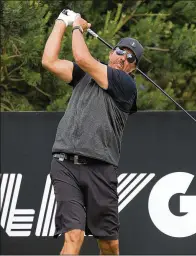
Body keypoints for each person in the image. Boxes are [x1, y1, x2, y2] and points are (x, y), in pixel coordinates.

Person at [42, 9, 144, 255]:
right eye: (120, 51)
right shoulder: (83, 76)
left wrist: (77, 26)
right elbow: (49, 61)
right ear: (112, 52)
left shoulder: (125, 85)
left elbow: (83, 57)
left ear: (132, 69)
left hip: (100, 169)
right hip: (65, 164)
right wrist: (61, 22)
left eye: (131, 58)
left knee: (109, 244)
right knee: (73, 237)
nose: (123, 58)